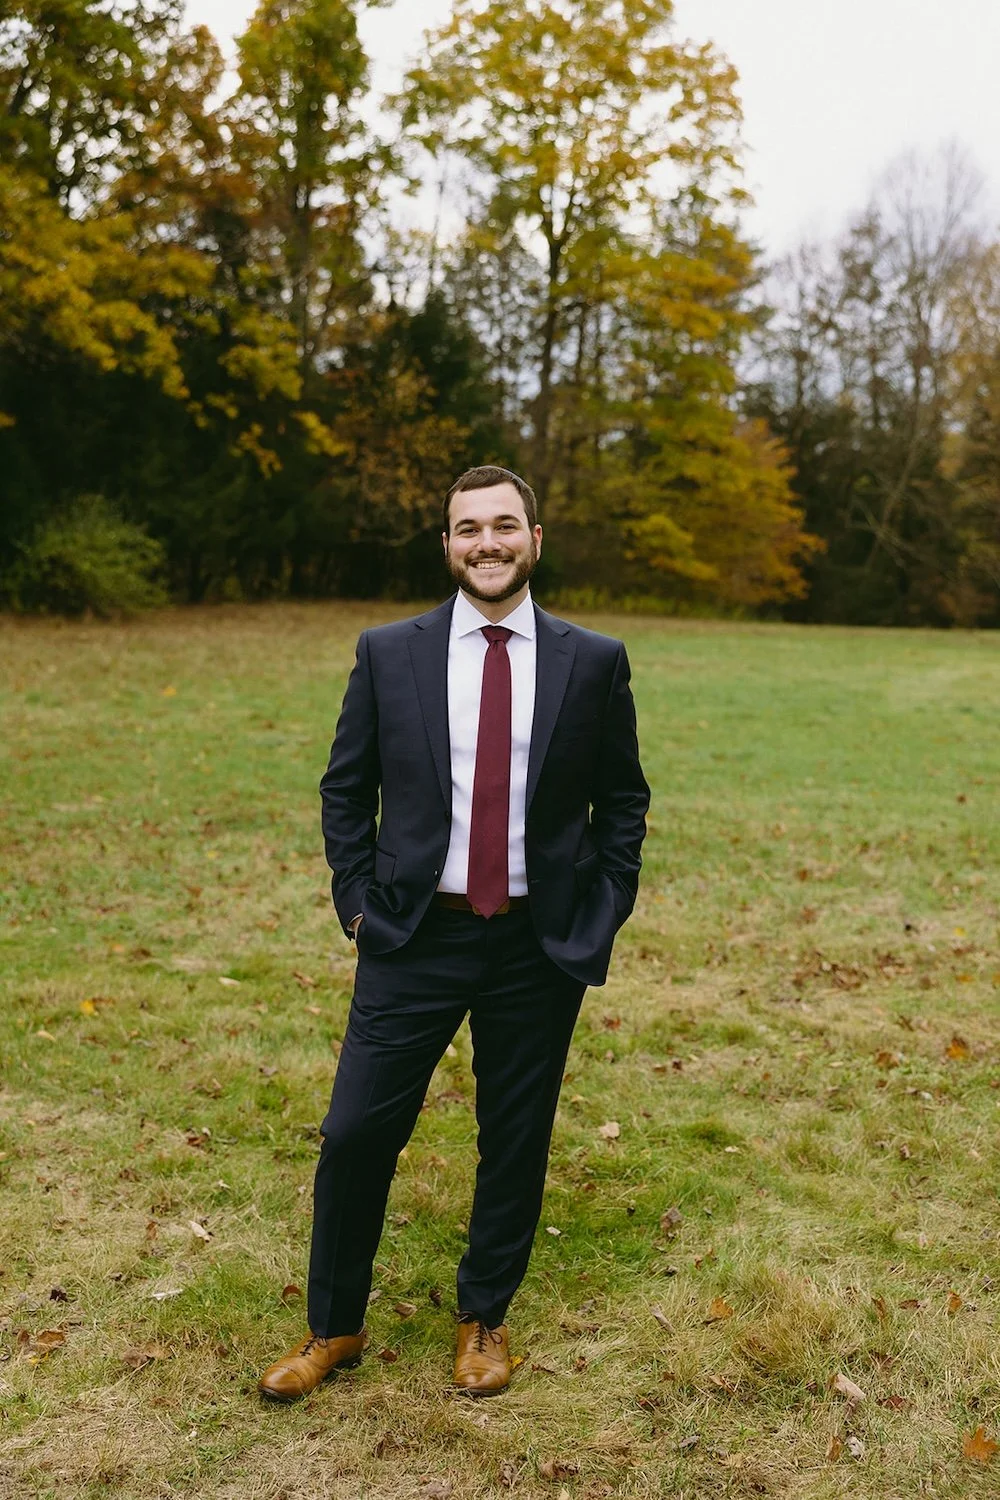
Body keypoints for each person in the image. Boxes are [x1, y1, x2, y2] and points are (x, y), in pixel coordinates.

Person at [258, 465, 649, 1402]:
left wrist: (602, 910)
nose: (487, 543)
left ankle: (483, 1319)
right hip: (412, 936)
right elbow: (345, 788)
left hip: (536, 942)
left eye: (504, 525)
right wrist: (358, 903)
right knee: (355, 1133)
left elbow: (623, 799)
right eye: (468, 528)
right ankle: (334, 1326)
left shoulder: (592, 660)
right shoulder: (390, 652)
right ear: (447, 545)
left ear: (535, 539)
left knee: (513, 1139)